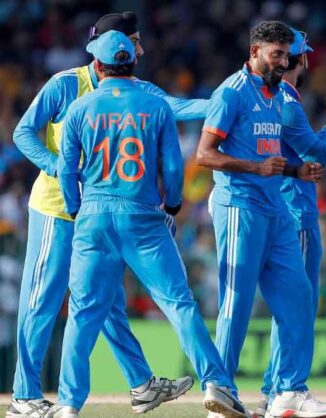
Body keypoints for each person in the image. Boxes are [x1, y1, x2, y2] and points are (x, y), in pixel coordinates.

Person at [9, 11, 199, 417]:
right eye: (135, 40)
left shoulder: (135, 88)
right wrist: (57, 166)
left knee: (108, 304)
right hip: (57, 211)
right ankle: (24, 398)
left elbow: (178, 107)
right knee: (41, 302)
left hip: (97, 217)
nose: (140, 49)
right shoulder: (66, 84)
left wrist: (229, 101)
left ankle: (142, 385)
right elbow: (23, 132)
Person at [49, 30, 245, 418]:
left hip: (93, 217)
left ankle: (69, 405)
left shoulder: (80, 108)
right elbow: (172, 167)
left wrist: (76, 209)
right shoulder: (155, 106)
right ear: (132, 63)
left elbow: (66, 171)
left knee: (83, 314)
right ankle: (216, 384)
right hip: (143, 217)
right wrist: (172, 204)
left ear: (98, 66)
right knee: (179, 304)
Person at [196, 21, 326, 418]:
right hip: (240, 207)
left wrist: (295, 171)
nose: (283, 62)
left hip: (275, 210)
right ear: (255, 51)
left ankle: (288, 391)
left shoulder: (275, 94)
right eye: (276, 55)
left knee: (299, 298)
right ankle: (219, 390)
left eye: (287, 56)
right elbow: (205, 154)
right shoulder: (232, 92)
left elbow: (269, 155)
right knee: (237, 302)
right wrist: (255, 168)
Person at [253, 28, 326, 418]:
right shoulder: (286, 101)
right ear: (300, 60)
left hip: (282, 209)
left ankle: (274, 391)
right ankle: (289, 388)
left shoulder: (271, 98)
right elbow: (317, 154)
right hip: (295, 214)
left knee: (289, 307)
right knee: (300, 306)